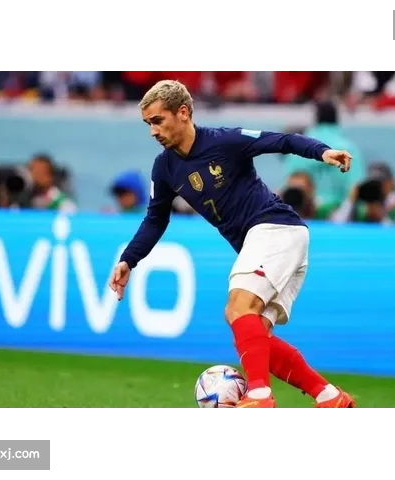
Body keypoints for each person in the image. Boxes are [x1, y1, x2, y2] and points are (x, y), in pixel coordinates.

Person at [109, 80, 356, 408]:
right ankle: (329, 397)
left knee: (238, 309)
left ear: (183, 113)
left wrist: (322, 151)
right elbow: (156, 219)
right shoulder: (165, 167)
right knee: (254, 336)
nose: (153, 131)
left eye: (157, 120)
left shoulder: (224, 141)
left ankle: (259, 396)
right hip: (273, 240)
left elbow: (281, 140)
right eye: (148, 124)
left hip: (275, 229)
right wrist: (129, 259)